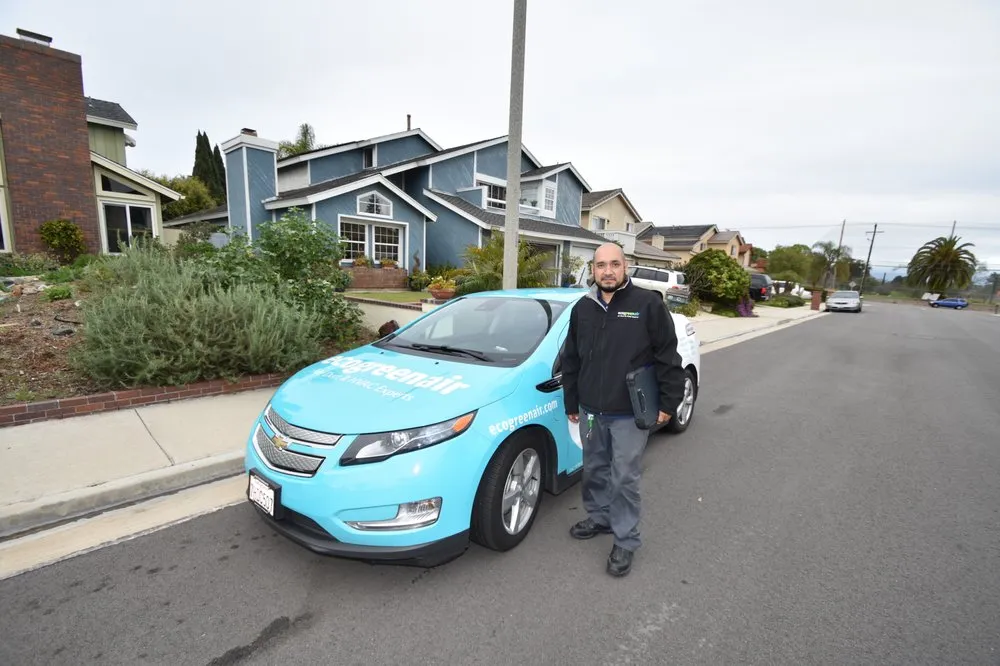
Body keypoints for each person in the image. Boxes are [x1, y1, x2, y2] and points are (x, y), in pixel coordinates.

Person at [560, 243, 687, 577]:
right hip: (590, 410)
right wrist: (571, 401)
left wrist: (667, 404)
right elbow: (571, 358)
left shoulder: (647, 305)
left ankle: (626, 540)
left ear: (625, 266)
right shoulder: (582, 308)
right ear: (593, 269)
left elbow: (668, 358)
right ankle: (600, 518)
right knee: (594, 470)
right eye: (601, 265)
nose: (608, 271)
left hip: (629, 412)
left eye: (614, 264)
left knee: (624, 478)